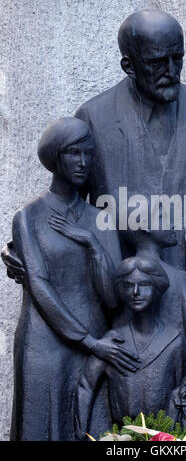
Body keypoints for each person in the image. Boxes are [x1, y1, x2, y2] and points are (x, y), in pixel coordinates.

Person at [3, 10, 186, 340]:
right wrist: (26, 247)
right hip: (133, 317)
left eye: (178, 58)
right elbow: (64, 202)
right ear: (129, 65)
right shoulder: (94, 118)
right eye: (158, 62)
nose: (171, 71)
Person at [10, 117, 140, 440]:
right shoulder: (28, 217)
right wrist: (90, 341)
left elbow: (111, 298)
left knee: (91, 429)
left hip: (93, 345)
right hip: (44, 344)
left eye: (87, 154)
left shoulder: (101, 220)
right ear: (56, 158)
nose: (83, 163)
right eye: (73, 154)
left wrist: (92, 244)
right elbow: (39, 286)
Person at [74, 256, 183, 439]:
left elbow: (182, 392)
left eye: (144, 285)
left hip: (165, 438)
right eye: (128, 286)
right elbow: (86, 385)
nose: (135, 292)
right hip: (122, 436)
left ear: (157, 288)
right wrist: (81, 434)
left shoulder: (174, 340)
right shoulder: (114, 341)